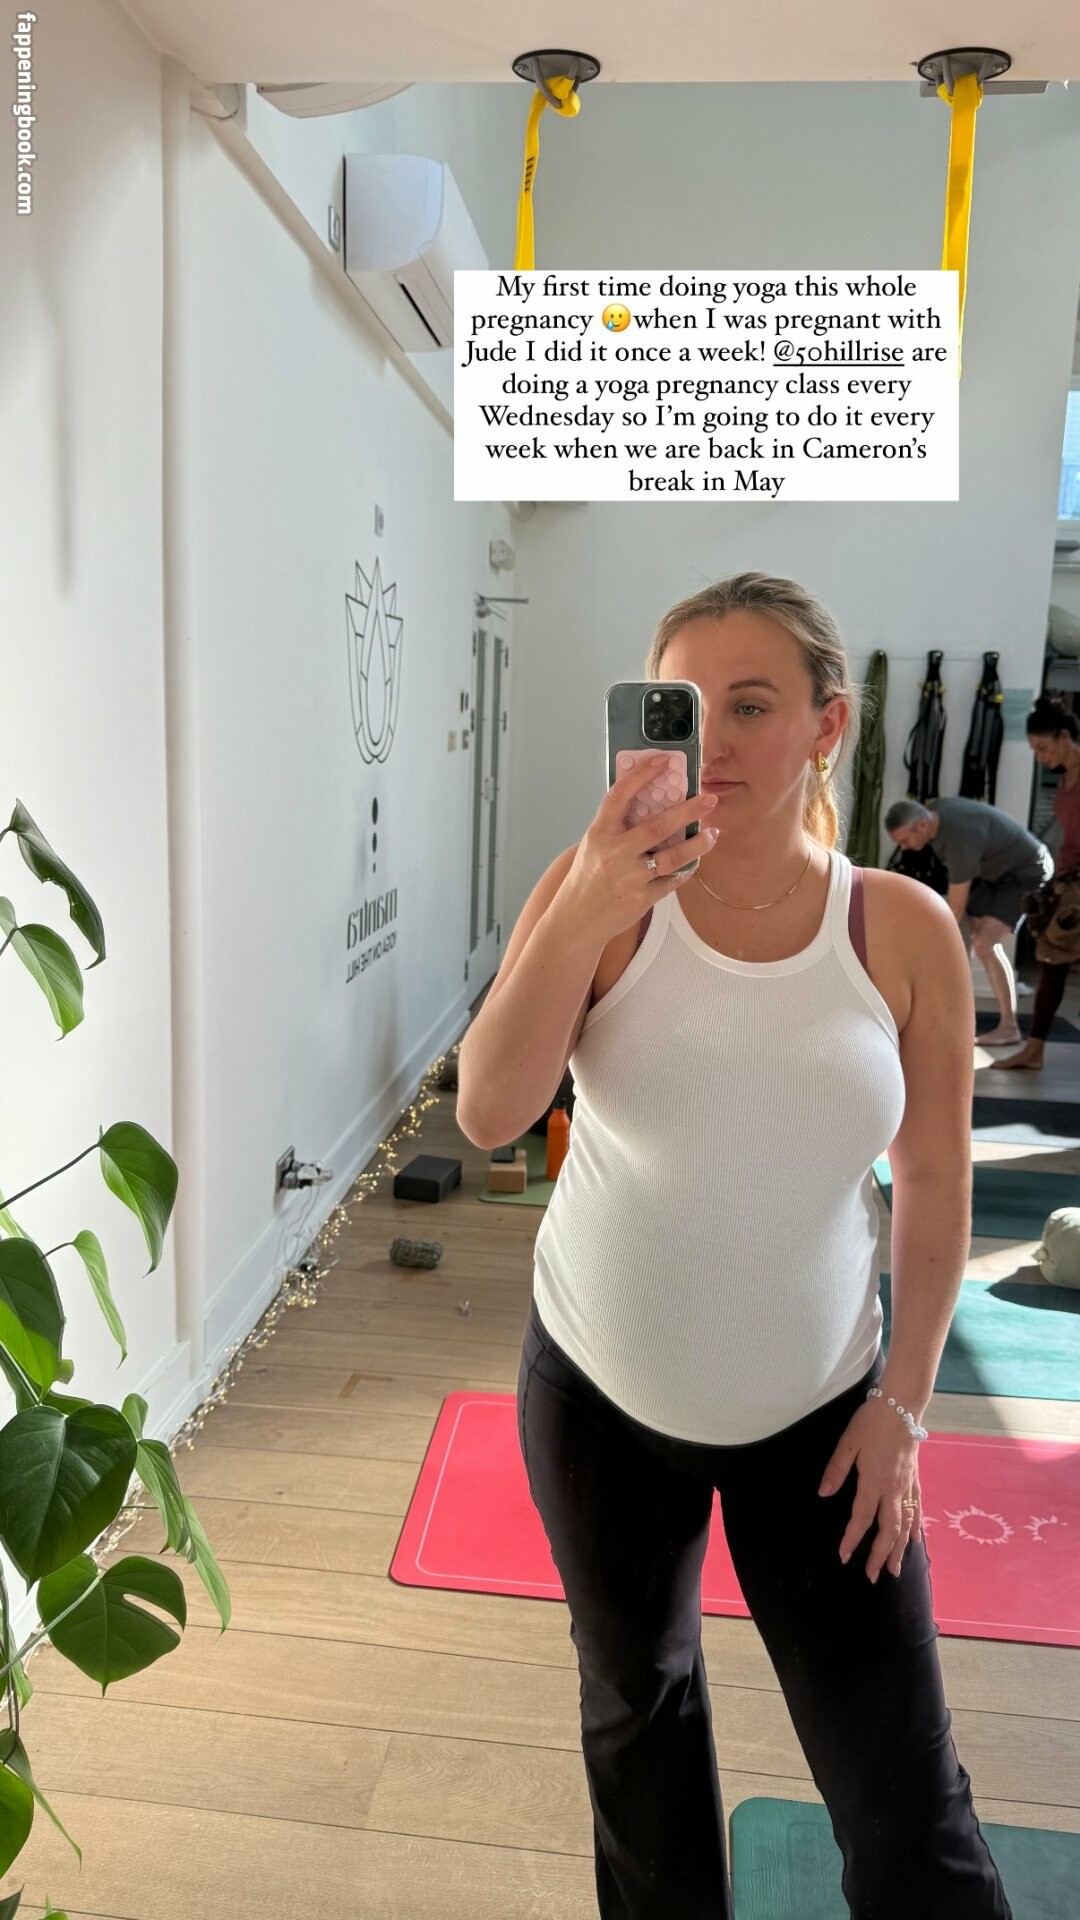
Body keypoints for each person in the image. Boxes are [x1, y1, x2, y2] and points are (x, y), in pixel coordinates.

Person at [457, 573, 1012, 1920]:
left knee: (903, 1793)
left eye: (751, 706)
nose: (712, 743)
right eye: (681, 708)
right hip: (599, 1396)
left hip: (825, 1418)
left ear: (829, 725)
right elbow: (489, 1112)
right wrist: (588, 901)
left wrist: (905, 1406)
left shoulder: (900, 928)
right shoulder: (592, 896)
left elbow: (936, 1179)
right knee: (637, 1718)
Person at [884, 796, 1053, 1047]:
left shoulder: (958, 838)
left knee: (984, 943)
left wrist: (922, 947)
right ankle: (951, 1016)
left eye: (904, 840)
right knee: (972, 935)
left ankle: (1008, 1028)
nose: (904, 847)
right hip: (997, 873)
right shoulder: (935, 814)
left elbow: (955, 909)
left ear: (921, 825)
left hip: (1027, 871)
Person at [990, 694, 1080, 1070]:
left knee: (1054, 966)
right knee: (1052, 965)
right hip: (1069, 882)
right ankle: (1034, 1050)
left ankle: (1034, 1050)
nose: (1040, 757)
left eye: (1043, 747)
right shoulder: (1065, 782)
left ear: (1064, 736)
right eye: (1035, 751)